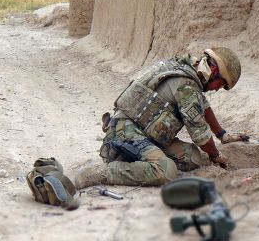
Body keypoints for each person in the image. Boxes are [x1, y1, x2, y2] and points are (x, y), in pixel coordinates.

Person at [74, 47, 248, 189]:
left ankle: (141, 159)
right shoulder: (186, 86)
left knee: (192, 157)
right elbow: (200, 136)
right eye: (222, 84)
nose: (218, 89)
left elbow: (203, 105)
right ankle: (103, 172)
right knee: (165, 171)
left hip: (146, 133)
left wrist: (222, 135)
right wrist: (216, 155)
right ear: (214, 71)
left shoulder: (185, 68)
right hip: (126, 133)